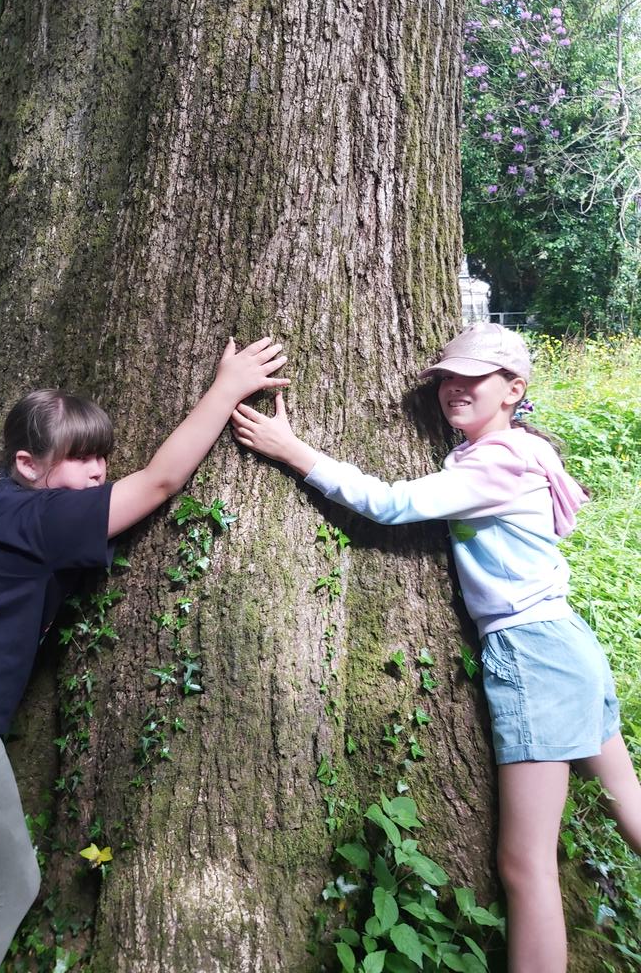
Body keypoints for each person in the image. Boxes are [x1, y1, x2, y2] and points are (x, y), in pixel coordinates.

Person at [230, 322, 641, 973]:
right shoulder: (518, 451)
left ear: (514, 389)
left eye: (474, 377)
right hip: (566, 646)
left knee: (524, 864)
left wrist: (292, 450)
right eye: (449, 376)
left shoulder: (499, 462)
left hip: (534, 656)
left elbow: (390, 504)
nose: (455, 387)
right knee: (632, 815)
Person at [0, 335, 288, 973]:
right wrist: (225, 389)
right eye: (81, 459)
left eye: (102, 456)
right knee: (6, 889)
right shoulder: (48, 520)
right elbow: (161, 480)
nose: (98, 472)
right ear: (29, 463)